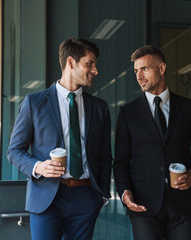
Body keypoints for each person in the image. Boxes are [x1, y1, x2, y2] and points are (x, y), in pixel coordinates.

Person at [7, 38, 112, 240]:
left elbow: (105, 155)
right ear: (71, 62)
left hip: (86, 197)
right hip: (46, 197)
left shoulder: (99, 108)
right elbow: (14, 151)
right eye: (89, 64)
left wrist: (102, 195)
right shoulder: (34, 103)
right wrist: (38, 166)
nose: (95, 70)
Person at [113, 45, 191, 240]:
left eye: (145, 69)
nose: (139, 76)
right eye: (136, 71)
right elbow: (120, 162)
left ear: (161, 69)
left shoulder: (189, 109)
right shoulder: (128, 113)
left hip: (183, 204)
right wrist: (124, 192)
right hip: (143, 204)